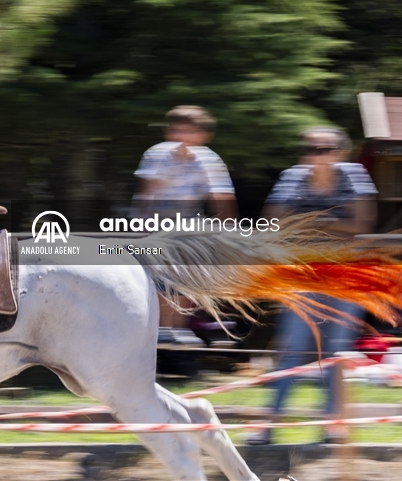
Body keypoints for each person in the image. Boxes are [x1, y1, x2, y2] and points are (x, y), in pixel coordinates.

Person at [248, 126, 377, 445]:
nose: (316, 156)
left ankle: (333, 427)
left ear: (340, 153)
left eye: (325, 150)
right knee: (291, 351)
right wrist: (332, 223)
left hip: (347, 277)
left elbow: (361, 225)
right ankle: (268, 426)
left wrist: (309, 222)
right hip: (303, 275)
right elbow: (274, 223)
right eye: (310, 149)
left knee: (335, 354)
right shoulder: (293, 177)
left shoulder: (354, 176)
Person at [134, 106, 237, 342]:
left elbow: (221, 197)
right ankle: (163, 332)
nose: (183, 137)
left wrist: (230, 232)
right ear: (169, 133)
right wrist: (145, 230)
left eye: (190, 131)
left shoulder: (209, 159)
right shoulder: (157, 155)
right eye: (178, 130)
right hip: (156, 223)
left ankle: (181, 329)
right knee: (164, 270)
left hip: (189, 223)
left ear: (202, 135)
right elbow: (148, 196)